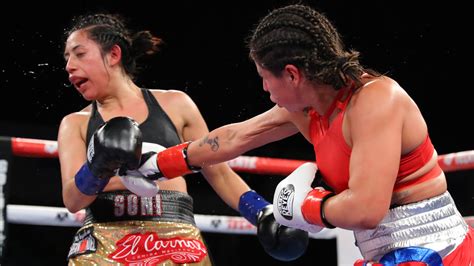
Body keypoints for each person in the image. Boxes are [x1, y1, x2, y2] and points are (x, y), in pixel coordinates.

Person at [129, 4, 474, 265]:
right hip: (386, 253)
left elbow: (367, 209)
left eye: (266, 77)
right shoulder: (307, 110)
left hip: (437, 249)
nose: (264, 88)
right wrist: (159, 163)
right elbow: (233, 138)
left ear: (292, 74)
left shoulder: (375, 101)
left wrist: (309, 207)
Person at [57, 13, 308, 265]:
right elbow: (73, 199)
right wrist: (97, 166)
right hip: (105, 242)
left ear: (113, 54)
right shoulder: (75, 123)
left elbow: (218, 172)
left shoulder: (175, 105)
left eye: (79, 54)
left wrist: (261, 211)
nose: (69, 66)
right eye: (67, 57)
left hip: (176, 240)